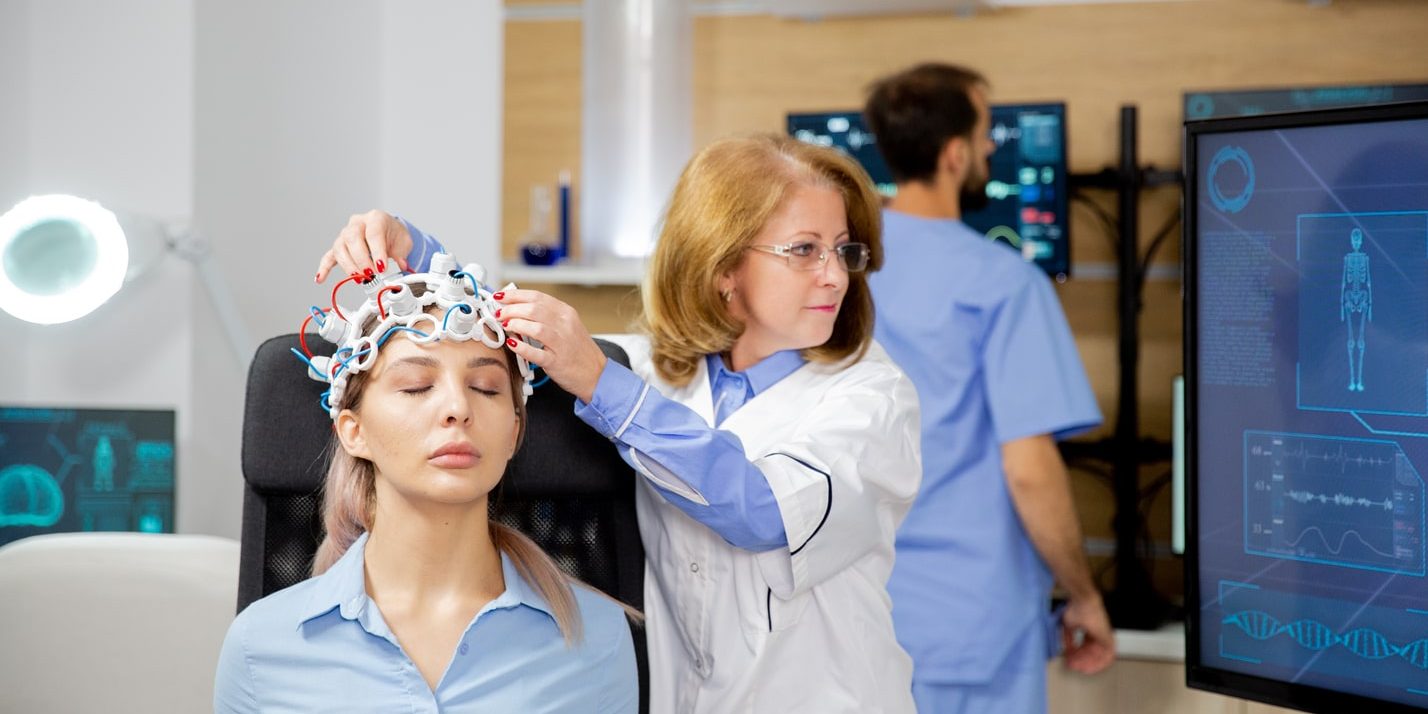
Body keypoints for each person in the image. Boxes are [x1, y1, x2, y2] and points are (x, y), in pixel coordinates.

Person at [315, 134, 924, 712]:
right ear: (724, 268)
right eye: (805, 250)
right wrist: (407, 244)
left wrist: (602, 381)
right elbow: (501, 329)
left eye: (844, 250)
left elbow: (761, 509)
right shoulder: (659, 374)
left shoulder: (872, 396)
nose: (836, 275)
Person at [214, 269, 639, 712]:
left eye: (485, 388)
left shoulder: (597, 638)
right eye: (417, 386)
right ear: (353, 432)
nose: (458, 407)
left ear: (514, 433)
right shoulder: (259, 648)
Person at [862, 63, 1115, 712]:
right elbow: (1029, 471)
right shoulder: (1003, 284)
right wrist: (1083, 593)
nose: (991, 150)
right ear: (954, 155)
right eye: (984, 136)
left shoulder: (837, 278)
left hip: (861, 607)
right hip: (969, 624)